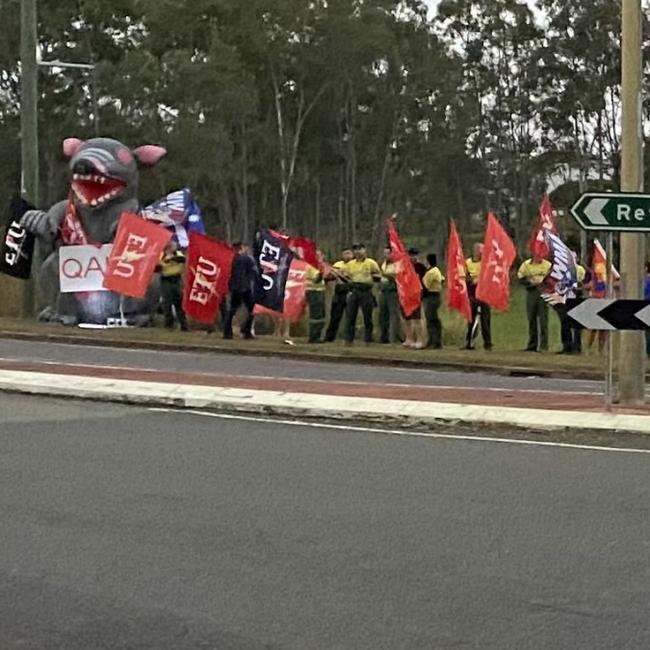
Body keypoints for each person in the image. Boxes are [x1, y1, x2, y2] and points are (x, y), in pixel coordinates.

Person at [344, 243, 381, 344]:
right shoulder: (350, 264)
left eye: (360, 249)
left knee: (367, 316)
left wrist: (373, 280)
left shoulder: (371, 263)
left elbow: (378, 275)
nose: (358, 252)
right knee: (351, 315)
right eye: (355, 249)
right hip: (354, 290)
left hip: (366, 290)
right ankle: (349, 339)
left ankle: (368, 338)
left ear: (365, 250)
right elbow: (346, 277)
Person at [517, 252, 551, 352]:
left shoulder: (547, 265)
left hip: (543, 292)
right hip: (531, 292)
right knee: (531, 319)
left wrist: (544, 282)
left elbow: (552, 278)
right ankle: (532, 345)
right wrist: (530, 283)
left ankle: (544, 346)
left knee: (543, 320)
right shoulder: (526, 265)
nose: (539, 256)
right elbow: (520, 277)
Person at [223, 242, 257, 340]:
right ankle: (246, 331)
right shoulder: (247, 259)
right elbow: (253, 272)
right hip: (245, 287)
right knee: (252, 309)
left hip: (235, 287)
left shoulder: (232, 259)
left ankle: (227, 332)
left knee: (232, 310)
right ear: (242, 248)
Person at [465, 243, 492, 350]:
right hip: (472, 294)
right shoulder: (468, 262)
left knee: (485, 320)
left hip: (485, 294)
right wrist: (471, 280)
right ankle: (470, 342)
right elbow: (465, 277)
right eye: (479, 251)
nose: (481, 253)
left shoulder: (486, 263)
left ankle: (488, 343)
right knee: (471, 319)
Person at [324, 248, 353, 342]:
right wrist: (332, 274)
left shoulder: (355, 264)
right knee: (335, 316)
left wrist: (342, 275)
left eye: (348, 253)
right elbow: (329, 277)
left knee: (350, 316)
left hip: (350, 290)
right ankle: (329, 338)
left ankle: (349, 338)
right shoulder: (337, 264)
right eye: (345, 254)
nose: (347, 256)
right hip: (339, 291)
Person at [158, 241, 188, 331]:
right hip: (166, 279)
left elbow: (182, 259)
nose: (174, 248)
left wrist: (172, 259)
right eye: (172, 246)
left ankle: (183, 325)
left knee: (179, 303)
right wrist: (165, 261)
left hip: (176, 279)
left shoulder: (178, 254)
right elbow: (157, 266)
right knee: (166, 303)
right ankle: (168, 324)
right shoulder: (161, 255)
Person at [403, 247, 426, 349]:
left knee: (417, 319)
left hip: (416, 295)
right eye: (411, 255)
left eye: (415, 255)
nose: (412, 257)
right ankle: (409, 339)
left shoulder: (421, 267)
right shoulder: (405, 267)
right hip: (406, 294)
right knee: (407, 318)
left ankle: (420, 340)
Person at [379, 246, 401, 343]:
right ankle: (384, 337)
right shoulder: (384, 264)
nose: (386, 255)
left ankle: (395, 336)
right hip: (384, 290)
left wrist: (386, 275)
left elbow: (398, 276)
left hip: (393, 291)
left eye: (388, 253)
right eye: (385, 253)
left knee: (394, 314)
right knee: (383, 315)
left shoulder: (397, 264)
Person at [422, 253, 445, 348]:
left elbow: (425, 284)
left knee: (432, 319)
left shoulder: (432, 272)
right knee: (430, 319)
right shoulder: (435, 271)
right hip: (432, 296)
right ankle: (431, 339)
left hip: (432, 296)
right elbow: (442, 279)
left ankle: (435, 340)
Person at [305, 253, 326, 343]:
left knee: (320, 315)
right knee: (316, 315)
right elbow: (317, 279)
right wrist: (322, 271)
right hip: (314, 292)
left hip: (319, 291)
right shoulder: (312, 266)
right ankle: (314, 336)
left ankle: (317, 335)